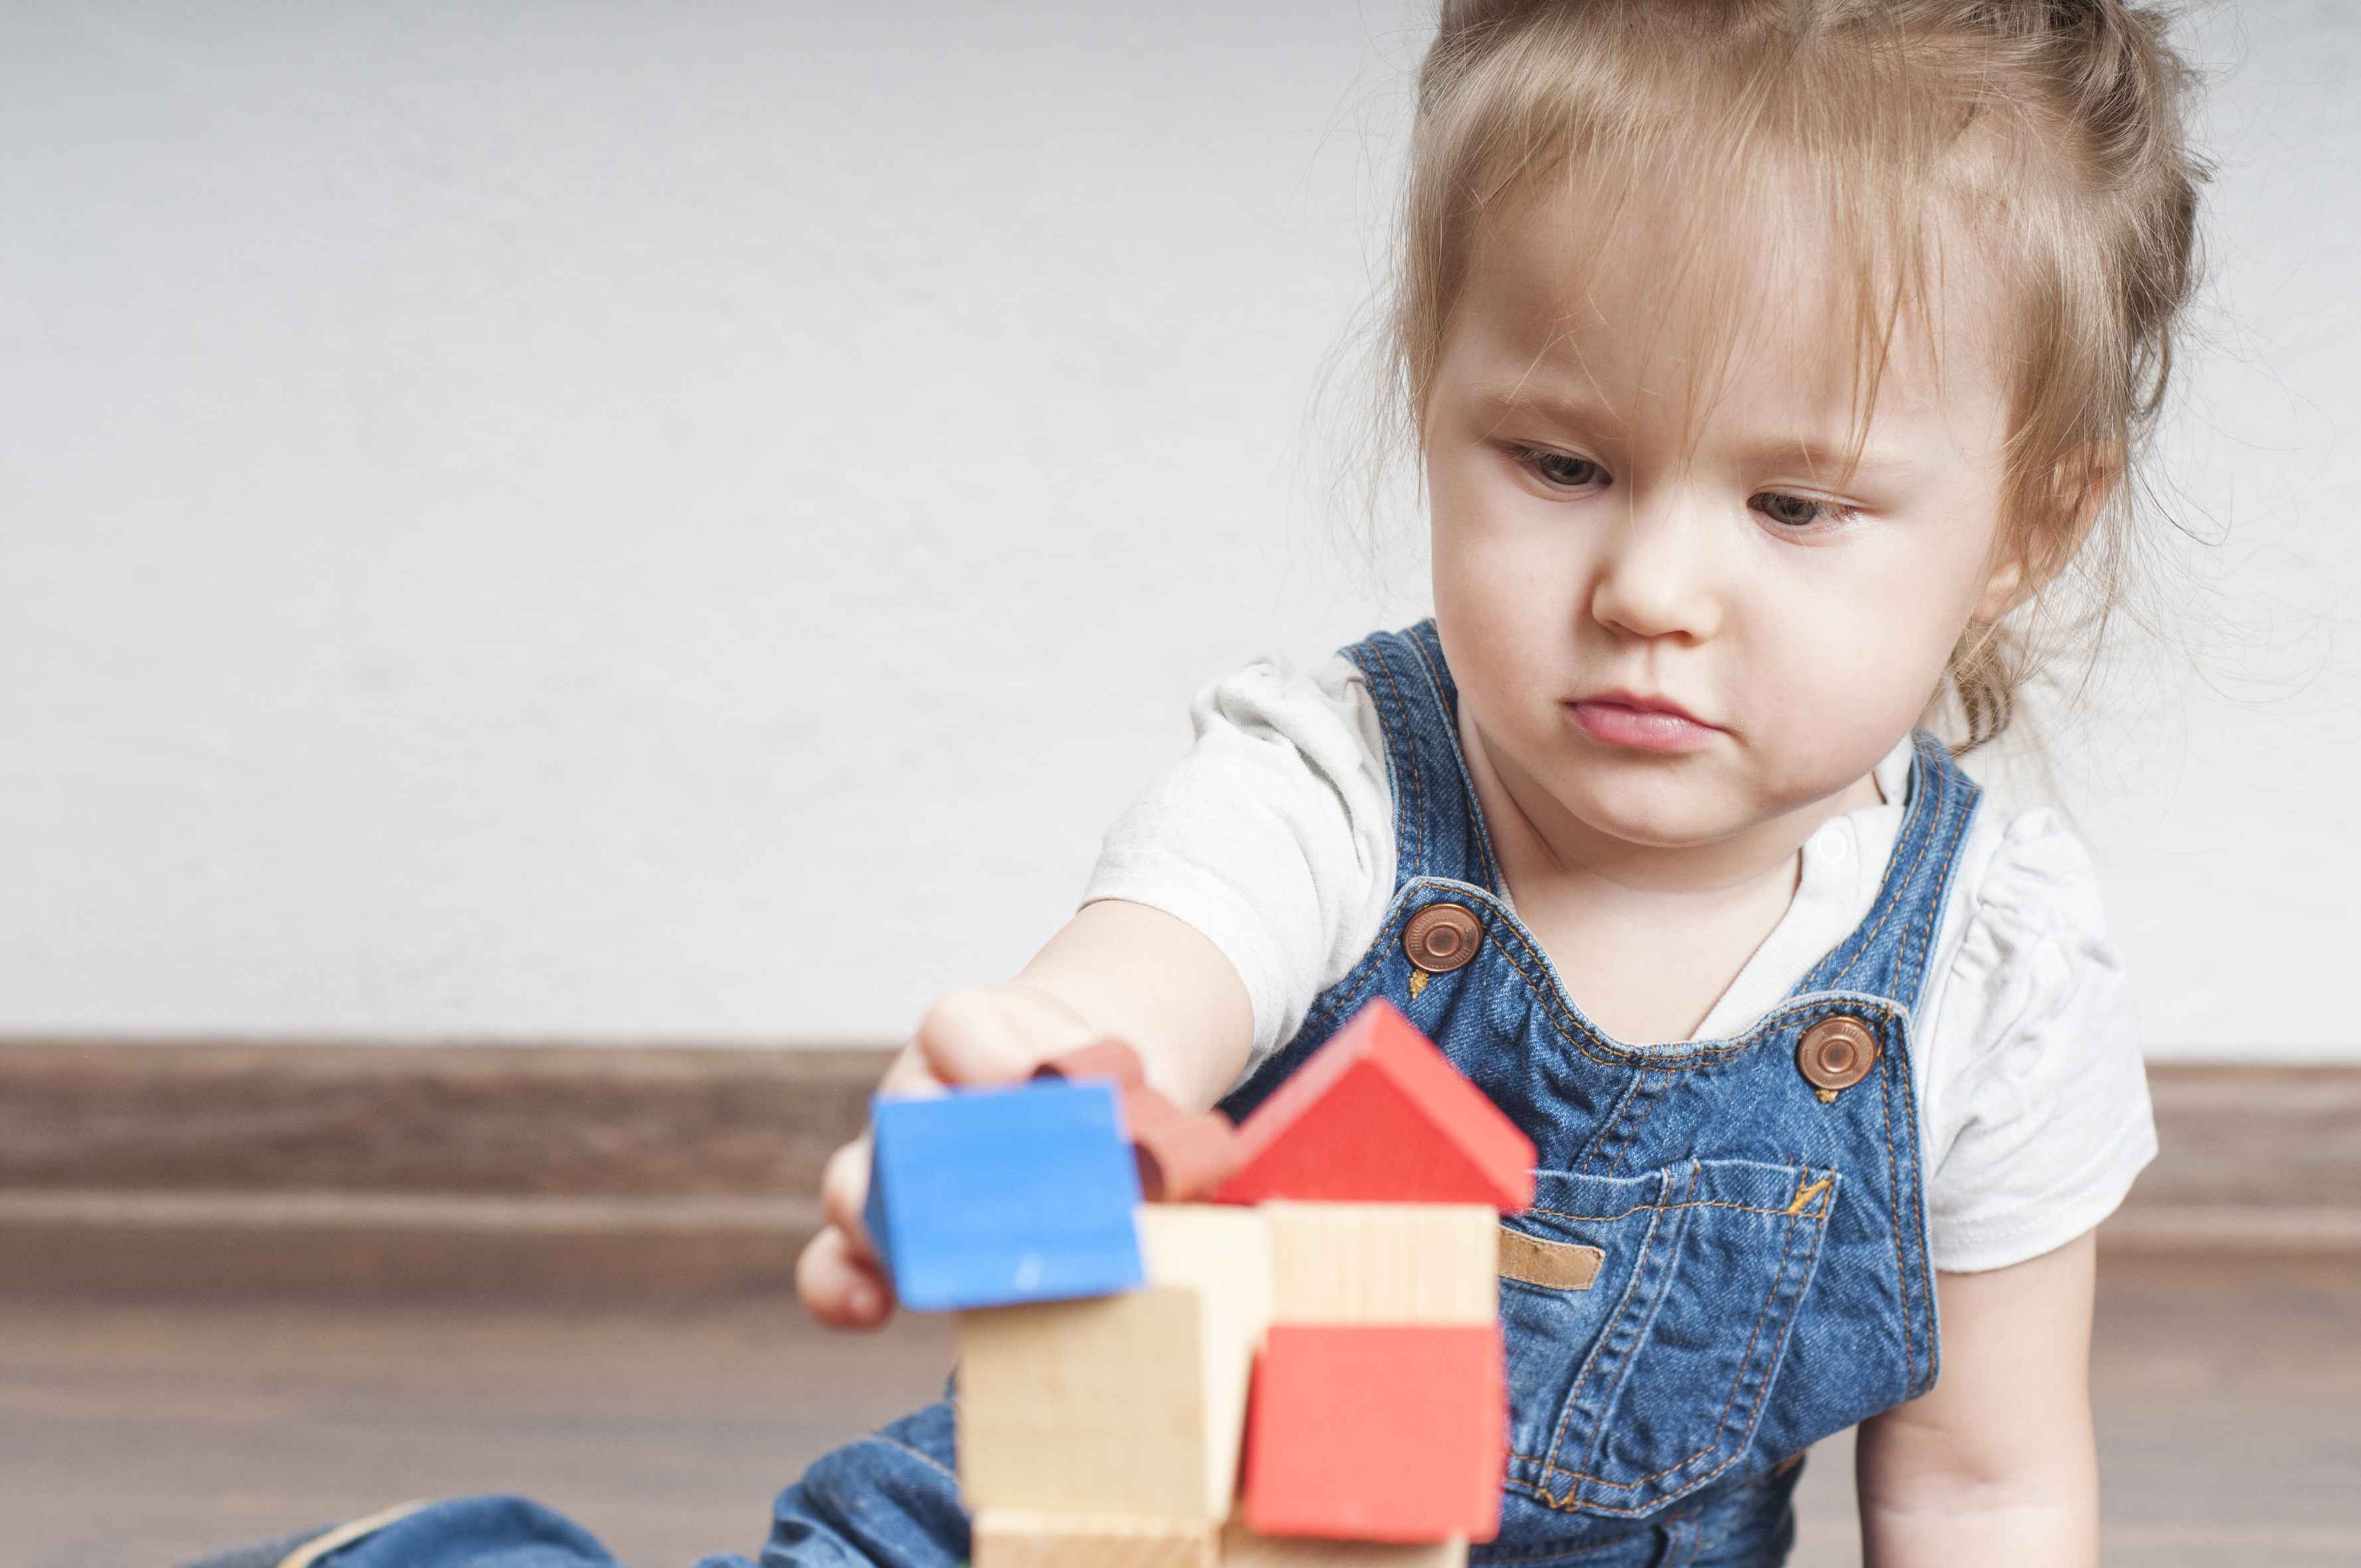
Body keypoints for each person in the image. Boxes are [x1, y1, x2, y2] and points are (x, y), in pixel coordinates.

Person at [188, 2, 2210, 1565]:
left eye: (1794, 501)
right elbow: (1143, 981)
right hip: (1120, 1524)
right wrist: (1043, 1080)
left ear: (2028, 522)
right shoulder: (1332, 780)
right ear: (1436, 391)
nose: (1652, 590)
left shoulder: (1993, 967)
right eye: (1562, 465)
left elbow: (1986, 1493)